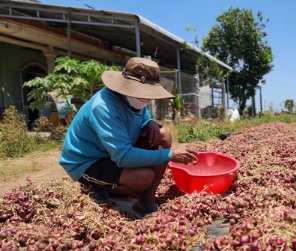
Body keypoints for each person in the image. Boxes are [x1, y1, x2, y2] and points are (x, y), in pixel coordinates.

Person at [59, 57, 198, 218]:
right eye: (141, 93)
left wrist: (150, 121)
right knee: (143, 178)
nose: (145, 99)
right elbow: (123, 156)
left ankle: (146, 201)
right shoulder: (104, 107)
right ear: (126, 86)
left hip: (113, 152)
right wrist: (170, 155)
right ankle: (96, 187)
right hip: (88, 161)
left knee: (163, 135)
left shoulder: (132, 100)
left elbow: (142, 115)